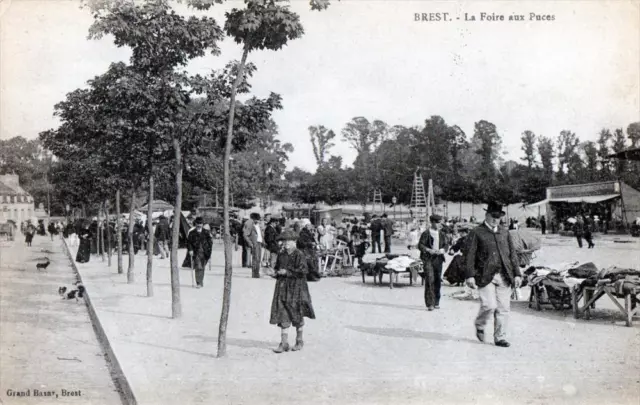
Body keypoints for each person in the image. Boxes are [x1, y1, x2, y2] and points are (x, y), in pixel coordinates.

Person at [464, 201, 522, 348]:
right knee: (489, 305)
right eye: (493, 216)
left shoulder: (504, 232)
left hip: (504, 274)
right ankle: (480, 324)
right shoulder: (477, 232)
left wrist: (517, 274)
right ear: (487, 215)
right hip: (484, 275)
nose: (496, 219)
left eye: (499, 216)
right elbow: (469, 255)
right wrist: (469, 275)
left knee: (503, 308)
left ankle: (500, 338)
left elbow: (512, 255)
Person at [270, 229, 316, 353]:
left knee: (297, 313)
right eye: (284, 241)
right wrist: (274, 273)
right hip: (282, 287)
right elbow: (278, 268)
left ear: (294, 242)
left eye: (288, 241)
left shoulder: (299, 254)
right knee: (283, 313)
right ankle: (284, 343)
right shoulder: (281, 254)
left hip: (296, 288)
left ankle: (299, 340)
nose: (286, 244)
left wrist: (288, 272)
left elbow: (303, 271)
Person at [418, 214, 448, 311]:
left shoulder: (442, 234)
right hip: (428, 259)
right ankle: (430, 303)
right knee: (430, 279)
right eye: (438, 222)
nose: (440, 224)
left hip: (438, 259)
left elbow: (446, 245)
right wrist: (428, 250)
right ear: (433, 222)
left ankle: (436, 302)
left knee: (437, 280)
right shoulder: (426, 233)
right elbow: (420, 245)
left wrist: (442, 250)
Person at [187, 217, 213, 288]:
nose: (199, 225)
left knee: (202, 267)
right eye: (197, 224)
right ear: (195, 224)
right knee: (198, 266)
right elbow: (189, 243)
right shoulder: (192, 233)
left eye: (200, 224)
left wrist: (209, 250)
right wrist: (190, 250)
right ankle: (198, 282)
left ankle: (201, 281)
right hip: (196, 252)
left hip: (205, 253)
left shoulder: (206, 232)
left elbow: (210, 242)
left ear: (202, 224)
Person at [243, 213, 263, 278]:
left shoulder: (258, 226)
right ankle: (255, 273)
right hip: (255, 243)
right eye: (257, 220)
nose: (258, 221)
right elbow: (245, 235)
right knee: (255, 258)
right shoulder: (250, 225)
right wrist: (250, 243)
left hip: (259, 243)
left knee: (259, 259)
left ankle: (257, 272)